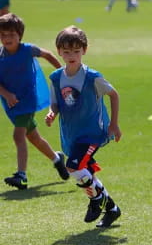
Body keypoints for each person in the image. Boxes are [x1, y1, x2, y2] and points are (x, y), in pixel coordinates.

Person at [45, 25, 122, 228]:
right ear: (59, 51)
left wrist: (113, 124)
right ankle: (112, 208)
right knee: (85, 172)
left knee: (73, 166)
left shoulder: (92, 77)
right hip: (72, 135)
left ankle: (96, 200)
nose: (71, 55)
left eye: (76, 51)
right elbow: (55, 103)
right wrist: (52, 112)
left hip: (92, 134)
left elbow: (114, 95)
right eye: (67, 51)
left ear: (84, 51)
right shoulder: (55, 78)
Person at [0, 13, 69, 190]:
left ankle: (21, 175)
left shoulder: (28, 50)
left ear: (20, 35)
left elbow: (47, 54)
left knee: (18, 135)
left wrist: (63, 74)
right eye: (3, 35)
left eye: (11, 35)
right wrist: (7, 94)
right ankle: (56, 158)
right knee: (33, 137)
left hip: (27, 100)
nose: (7, 38)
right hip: (11, 102)